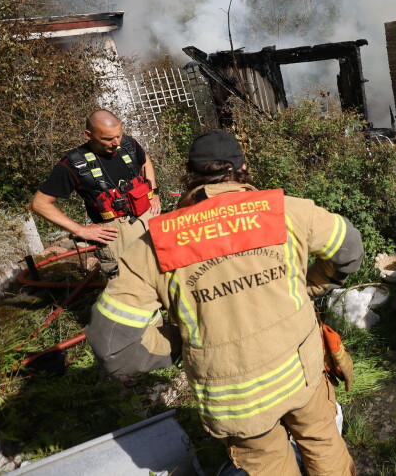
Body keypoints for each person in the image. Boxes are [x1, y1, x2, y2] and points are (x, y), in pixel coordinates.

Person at [86, 129, 362, 475]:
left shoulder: (155, 244)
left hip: (235, 404)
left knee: (270, 466)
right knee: (323, 444)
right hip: (301, 374)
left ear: (189, 176)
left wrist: (181, 343)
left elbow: (113, 345)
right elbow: (348, 249)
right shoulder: (284, 211)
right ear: (243, 167)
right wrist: (313, 285)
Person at [32, 109, 161, 265]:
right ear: (88, 135)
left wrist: (154, 193)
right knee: (131, 285)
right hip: (116, 235)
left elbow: (145, 160)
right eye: (108, 139)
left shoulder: (129, 144)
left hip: (150, 218)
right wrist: (79, 230)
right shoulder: (74, 164)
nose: (117, 143)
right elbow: (40, 203)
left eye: (118, 135)